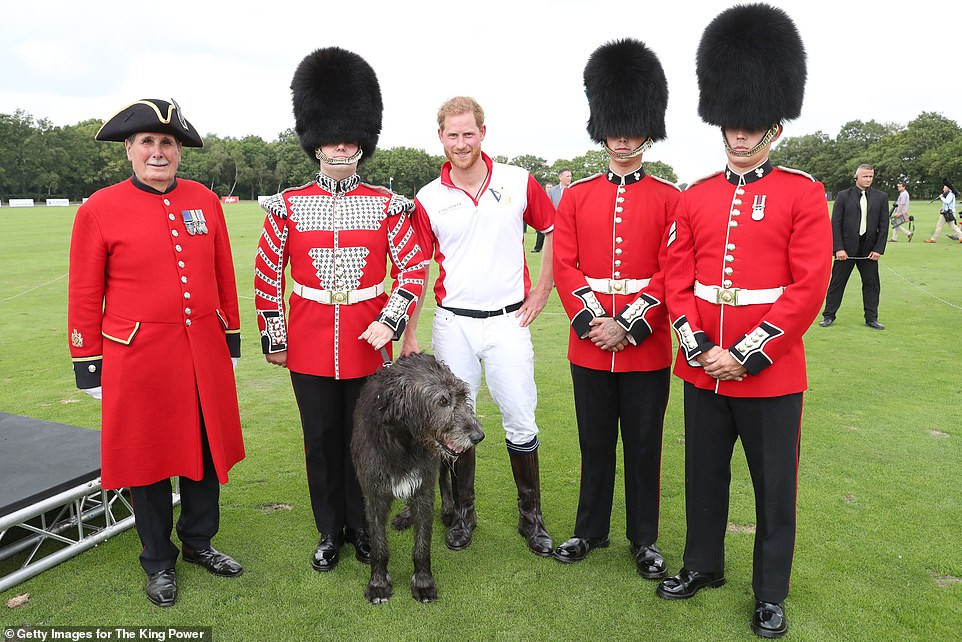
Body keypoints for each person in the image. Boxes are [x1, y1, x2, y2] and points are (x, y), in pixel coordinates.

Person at [658, 6, 832, 638]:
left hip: (769, 376)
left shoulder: (803, 193)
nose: (738, 135)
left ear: (775, 128)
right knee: (703, 476)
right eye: (731, 123)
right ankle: (702, 565)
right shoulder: (697, 194)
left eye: (751, 125)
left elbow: (806, 287)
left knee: (772, 490)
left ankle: (769, 592)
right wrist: (698, 344)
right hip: (704, 370)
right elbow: (678, 279)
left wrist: (749, 353)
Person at [254, 48, 427, 573]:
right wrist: (276, 337)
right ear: (315, 139)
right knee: (321, 443)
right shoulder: (287, 205)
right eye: (332, 135)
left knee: (367, 445)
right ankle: (330, 530)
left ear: (362, 138)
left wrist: (389, 322)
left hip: (367, 343)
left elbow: (413, 269)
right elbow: (268, 275)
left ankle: (366, 528)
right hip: (308, 344)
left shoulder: (388, 204)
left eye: (350, 135)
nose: (341, 144)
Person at [68, 99, 246, 607]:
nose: (158, 151)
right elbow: (84, 292)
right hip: (137, 356)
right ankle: (158, 562)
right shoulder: (99, 208)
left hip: (202, 351)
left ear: (179, 151)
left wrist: (230, 338)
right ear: (129, 149)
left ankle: (198, 542)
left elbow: (220, 273)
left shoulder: (204, 201)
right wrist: (88, 363)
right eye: (147, 142)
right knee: (148, 461)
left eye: (167, 142)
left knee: (205, 451)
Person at [402, 96, 556, 557]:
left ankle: (532, 518)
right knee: (454, 424)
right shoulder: (428, 197)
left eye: (469, 133)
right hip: (454, 326)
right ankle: (463, 514)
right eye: (453, 135)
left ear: (483, 133)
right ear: (441, 138)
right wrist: (409, 333)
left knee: (520, 418)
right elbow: (417, 268)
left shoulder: (518, 180)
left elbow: (553, 231)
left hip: (509, 321)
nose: (462, 142)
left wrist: (542, 289)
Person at [551, 39, 676, 580]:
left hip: (644, 347)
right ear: (601, 128)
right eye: (615, 128)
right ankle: (590, 529)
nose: (623, 139)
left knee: (645, 447)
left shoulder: (671, 197)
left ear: (647, 130)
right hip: (589, 344)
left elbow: (673, 270)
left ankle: (643, 539)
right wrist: (593, 323)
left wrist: (629, 324)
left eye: (632, 129)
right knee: (594, 441)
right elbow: (565, 265)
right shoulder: (576, 195)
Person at [819, 164, 889, 330]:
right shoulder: (843, 196)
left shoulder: (881, 197)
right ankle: (828, 316)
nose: (868, 179)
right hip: (845, 250)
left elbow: (884, 226)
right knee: (837, 283)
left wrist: (878, 249)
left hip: (869, 251)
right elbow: (835, 224)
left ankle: (871, 318)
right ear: (856, 177)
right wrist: (838, 249)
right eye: (865, 176)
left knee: (872, 285)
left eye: (870, 176)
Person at [540, 169, 572, 251]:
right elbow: (548, 208)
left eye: (571, 176)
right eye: (567, 176)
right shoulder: (552, 191)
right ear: (560, 177)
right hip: (556, 223)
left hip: (570, 223)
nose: (570, 178)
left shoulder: (574, 189)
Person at [923, 178, 962, 243]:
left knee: (941, 225)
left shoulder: (950, 194)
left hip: (948, 213)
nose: (943, 189)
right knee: (952, 226)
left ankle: (933, 239)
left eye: (944, 188)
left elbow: (947, 202)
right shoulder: (949, 194)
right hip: (946, 212)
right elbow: (946, 204)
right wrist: (942, 208)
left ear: (947, 188)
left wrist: (941, 197)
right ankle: (933, 239)